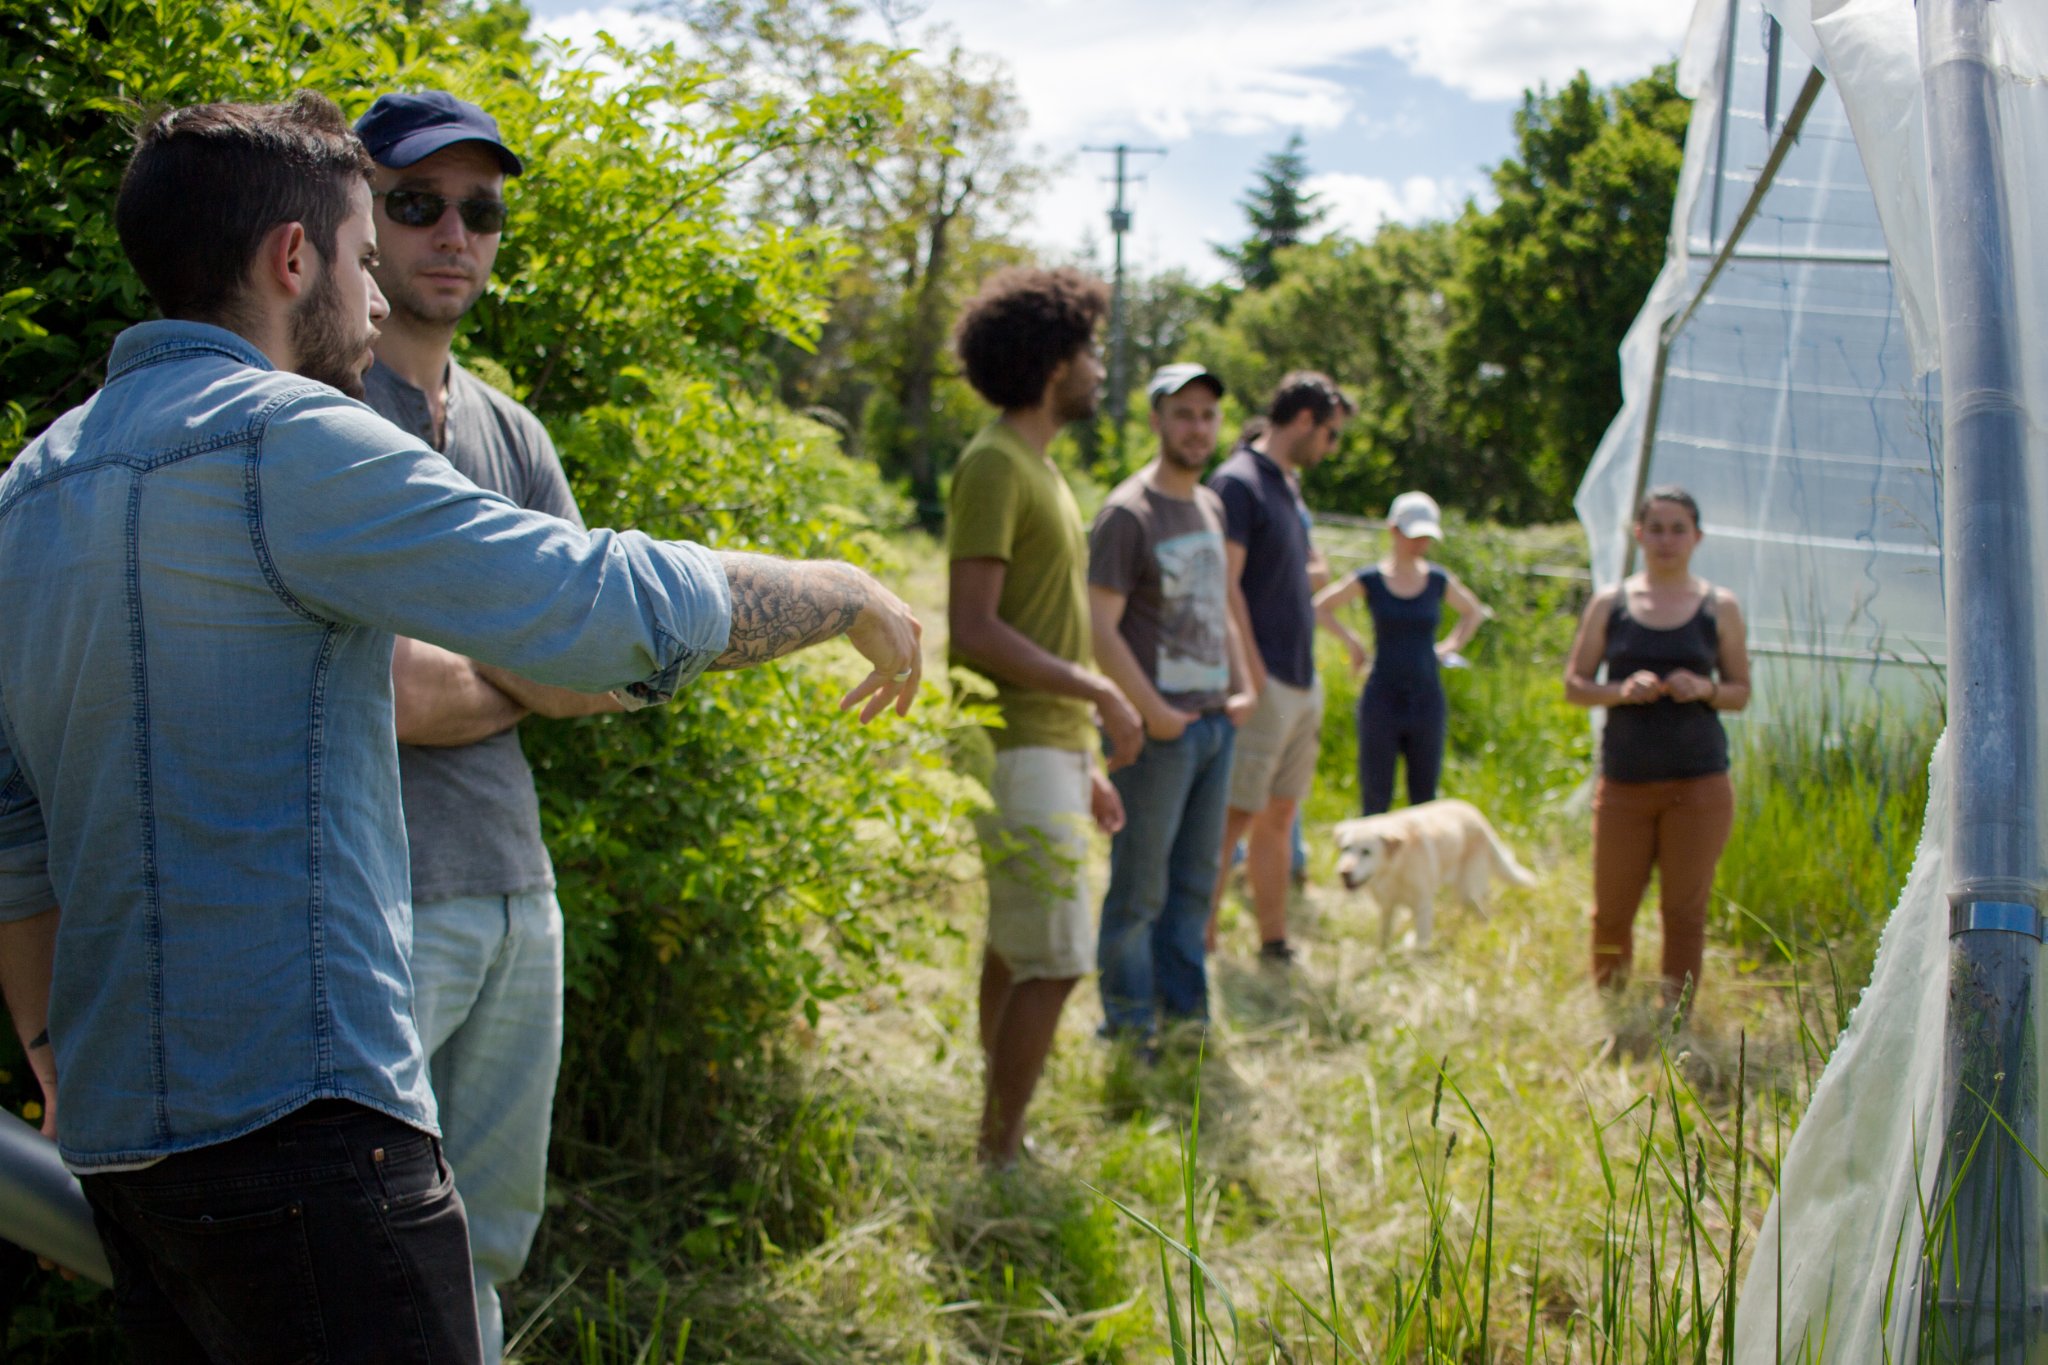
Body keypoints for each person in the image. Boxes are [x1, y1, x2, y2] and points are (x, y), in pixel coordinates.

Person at [0, 92, 922, 1362]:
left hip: (122, 1138)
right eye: (365, 256)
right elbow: (595, 610)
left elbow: (14, 835)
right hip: (307, 1125)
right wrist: (839, 588)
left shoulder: (30, 486)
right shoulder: (291, 440)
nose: (376, 300)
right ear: (291, 259)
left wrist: (53, 1052)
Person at [351, 90, 622, 1362]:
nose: (452, 233)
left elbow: (600, 666)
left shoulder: (510, 430)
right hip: (377, 903)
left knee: (489, 1246)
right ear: (354, 216)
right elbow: (388, 692)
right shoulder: (321, 411)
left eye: (480, 211)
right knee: (360, 1247)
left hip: (520, 893)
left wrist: (510, 658)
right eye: (416, 204)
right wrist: (533, 656)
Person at [947, 265, 1141, 1165]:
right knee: (1057, 958)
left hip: (1048, 744)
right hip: (1012, 739)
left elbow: (1042, 620)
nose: (1099, 366)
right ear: (1050, 358)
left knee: (1017, 945)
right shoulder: (993, 463)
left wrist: (1085, 757)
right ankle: (998, 1150)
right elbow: (975, 629)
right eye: (1088, 348)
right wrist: (1099, 690)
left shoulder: (1042, 469)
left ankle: (996, 1126)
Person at [1088, 364, 1255, 1043]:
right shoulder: (1129, 513)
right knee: (1139, 890)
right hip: (1157, 733)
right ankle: (1129, 1027)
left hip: (1215, 725)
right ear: (1157, 418)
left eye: (1208, 415)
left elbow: (1219, 604)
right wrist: (1152, 709)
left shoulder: (1210, 505)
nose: (1197, 427)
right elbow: (1099, 628)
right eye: (1183, 413)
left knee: (1194, 883)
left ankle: (1185, 1017)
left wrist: (1243, 684)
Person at [1563, 486, 1750, 1006]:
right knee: (1612, 908)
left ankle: (1677, 1020)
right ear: (1638, 534)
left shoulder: (1720, 606)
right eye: (1657, 528)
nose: (1667, 540)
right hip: (1624, 783)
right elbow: (1574, 685)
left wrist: (1706, 688)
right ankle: (1613, 1009)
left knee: (1685, 912)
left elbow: (1741, 692)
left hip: (1699, 785)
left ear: (1697, 537)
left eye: (1678, 529)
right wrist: (1619, 691)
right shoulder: (1612, 603)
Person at [1204, 371, 1351, 964]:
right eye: (1331, 434)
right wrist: (1250, 673)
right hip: (1261, 684)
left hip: (1300, 677)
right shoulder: (1239, 483)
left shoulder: (1286, 485)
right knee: (1229, 821)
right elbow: (1224, 583)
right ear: (1306, 420)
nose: (1331, 448)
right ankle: (1201, 944)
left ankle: (1273, 940)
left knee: (1279, 814)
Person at [1312, 491, 1490, 815]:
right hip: (1381, 698)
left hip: (1426, 698)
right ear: (1393, 531)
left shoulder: (1437, 580)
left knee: (1424, 800)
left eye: (1426, 537)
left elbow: (1473, 613)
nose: (1420, 544)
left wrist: (1449, 647)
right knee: (1376, 796)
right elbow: (1321, 607)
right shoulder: (1371, 579)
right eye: (1414, 535)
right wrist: (1351, 641)